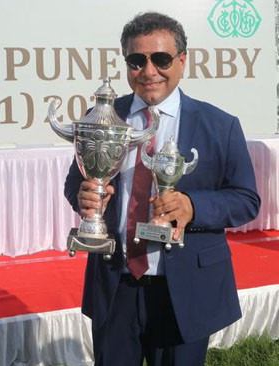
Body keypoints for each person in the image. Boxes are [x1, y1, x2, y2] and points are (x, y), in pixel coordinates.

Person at [64, 12, 261, 366]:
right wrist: (84, 197)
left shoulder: (220, 125)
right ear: (127, 64)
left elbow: (246, 200)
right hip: (115, 285)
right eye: (137, 60)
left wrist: (191, 206)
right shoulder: (104, 116)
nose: (149, 70)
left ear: (182, 60)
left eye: (161, 59)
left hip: (185, 290)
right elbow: (75, 181)